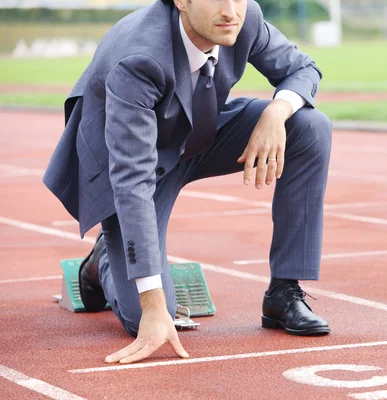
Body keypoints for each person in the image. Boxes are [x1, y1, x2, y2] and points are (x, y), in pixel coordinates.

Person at [42, 0, 332, 364]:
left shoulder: (245, 18)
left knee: (308, 125)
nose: (231, 11)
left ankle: (284, 292)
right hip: (128, 161)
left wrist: (278, 110)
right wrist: (151, 300)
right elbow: (132, 180)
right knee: (145, 318)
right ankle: (102, 262)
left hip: (197, 134)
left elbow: (304, 68)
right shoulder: (138, 58)